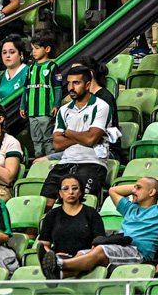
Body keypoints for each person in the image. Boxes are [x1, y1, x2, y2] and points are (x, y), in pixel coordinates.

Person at [45, 175, 158, 278]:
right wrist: (140, 187)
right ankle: (59, 275)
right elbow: (113, 191)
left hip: (138, 253)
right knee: (82, 253)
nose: (133, 191)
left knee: (99, 250)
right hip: (121, 246)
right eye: (134, 188)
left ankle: (60, 263)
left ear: (152, 192)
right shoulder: (130, 208)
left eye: (138, 188)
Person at [39, 65, 110, 208]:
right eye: (69, 83)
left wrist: (68, 133)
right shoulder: (64, 110)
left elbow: (91, 140)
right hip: (65, 162)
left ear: (88, 85)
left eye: (76, 83)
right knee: (44, 204)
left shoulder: (101, 106)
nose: (71, 88)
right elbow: (57, 144)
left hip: (92, 163)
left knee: (80, 204)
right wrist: (83, 135)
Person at [37, 173, 105, 266]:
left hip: (85, 259)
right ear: (60, 193)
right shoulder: (52, 215)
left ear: (80, 192)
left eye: (75, 188)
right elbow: (43, 244)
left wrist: (84, 256)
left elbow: (99, 244)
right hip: (58, 259)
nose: (71, 192)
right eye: (66, 189)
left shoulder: (91, 213)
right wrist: (52, 256)